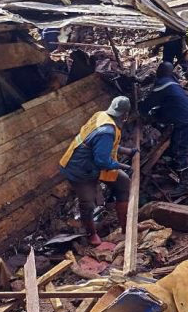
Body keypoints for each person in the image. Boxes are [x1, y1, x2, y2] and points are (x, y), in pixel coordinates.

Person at [58, 96, 136, 245]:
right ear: (125, 115)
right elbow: (102, 160)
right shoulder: (107, 130)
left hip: (94, 163)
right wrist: (124, 166)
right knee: (87, 203)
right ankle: (91, 234)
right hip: (80, 169)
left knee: (123, 182)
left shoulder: (101, 115)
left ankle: (126, 227)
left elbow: (105, 147)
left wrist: (128, 151)